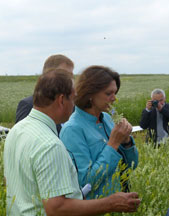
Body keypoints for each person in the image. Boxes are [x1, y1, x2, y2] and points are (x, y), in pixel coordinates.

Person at [4, 69, 141, 216]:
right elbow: (57, 208)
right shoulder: (51, 144)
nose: (75, 104)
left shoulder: (17, 130)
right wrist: (110, 203)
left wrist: (126, 142)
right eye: (73, 99)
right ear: (62, 100)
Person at [60, 65, 139, 199]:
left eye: (115, 93)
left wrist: (126, 143)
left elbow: (131, 166)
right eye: (108, 93)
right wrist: (113, 144)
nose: (114, 98)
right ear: (89, 94)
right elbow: (85, 183)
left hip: (120, 202)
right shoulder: (72, 129)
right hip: (97, 208)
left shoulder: (108, 119)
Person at [15, 54, 74, 134]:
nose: (70, 79)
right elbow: (23, 135)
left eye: (71, 75)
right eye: (65, 74)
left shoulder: (72, 105)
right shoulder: (28, 104)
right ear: (50, 74)